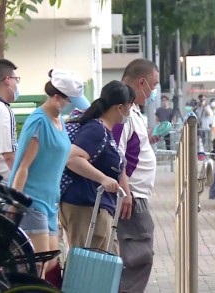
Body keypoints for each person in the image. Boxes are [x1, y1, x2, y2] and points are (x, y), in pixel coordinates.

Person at [9, 69, 90, 283]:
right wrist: (14, 205)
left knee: (50, 262)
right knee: (37, 264)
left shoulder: (60, 121)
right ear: (57, 98)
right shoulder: (39, 122)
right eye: (69, 101)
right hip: (31, 201)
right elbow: (23, 166)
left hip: (50, 202)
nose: (72, 106)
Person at [59, 81, 134, 253]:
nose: (129, 111)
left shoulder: (104, 131)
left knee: (103, 265)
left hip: (96, 206)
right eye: (129, 106)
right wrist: (103, 179)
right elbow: (72, 158)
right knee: (88, 269)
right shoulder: (96, 130)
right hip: (86, 207)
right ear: (120, 107)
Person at [113, 58, 158, 293]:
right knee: (139, 257)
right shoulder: (123, 111)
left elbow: (130, 148)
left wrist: (149, 140)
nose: (154, 91)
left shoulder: (134, 111)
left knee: (138, 257)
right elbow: (116, 154)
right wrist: (126, 192)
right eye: (154, 84)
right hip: (132, 198)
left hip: (136, 195)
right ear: (142, 82)